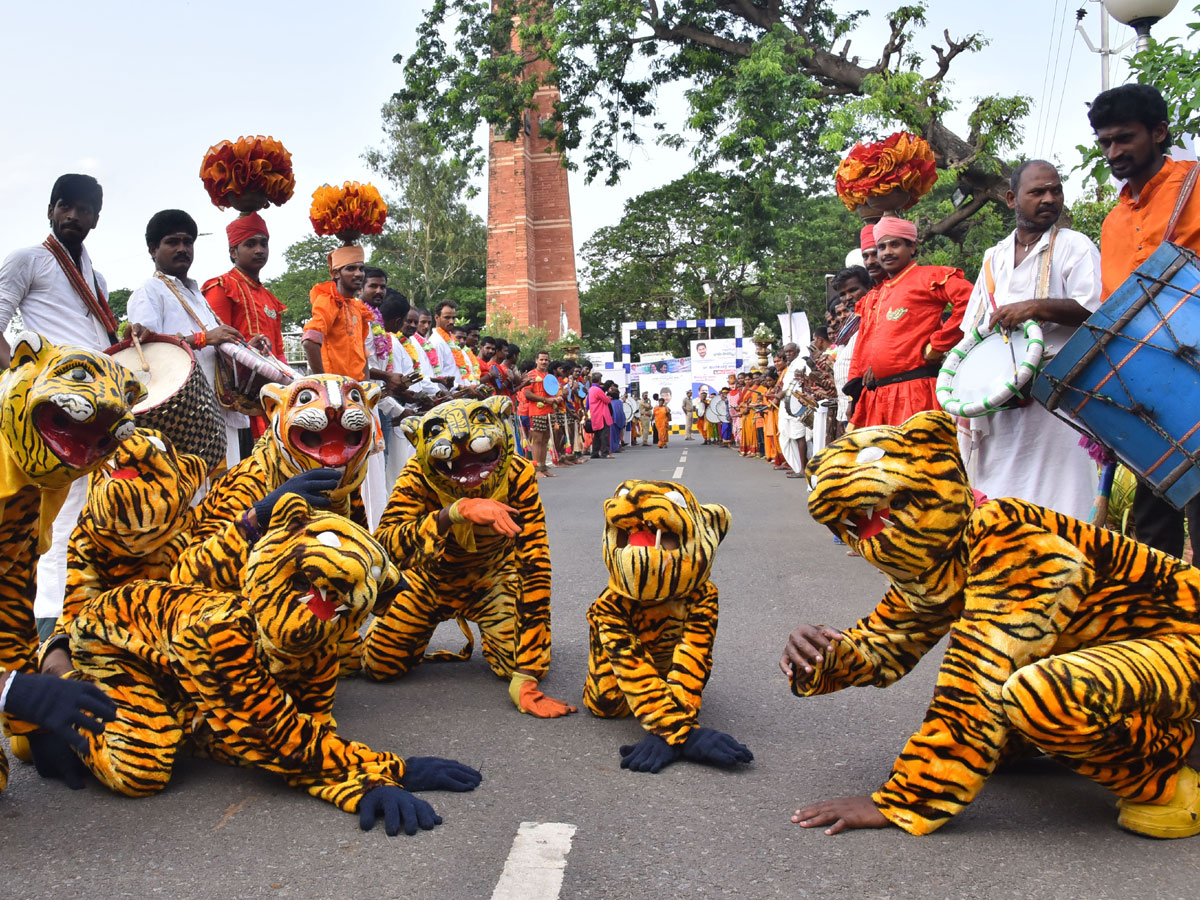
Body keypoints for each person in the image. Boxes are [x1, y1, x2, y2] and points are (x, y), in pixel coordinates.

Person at [0, 174, 146, 634]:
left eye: (83, 210)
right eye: (65, 206)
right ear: (50, 208)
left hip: (97, 409)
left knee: (86, 514)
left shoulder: (96, 277)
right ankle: (46, 626)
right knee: (52, 520)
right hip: (52, 412)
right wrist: (20, 382)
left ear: (96, 219)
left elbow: (98, 341)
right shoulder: (28, 260)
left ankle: (80, 617)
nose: (73, 215)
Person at [1091, 83, 1200, 558]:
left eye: (1124, 138)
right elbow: (1113, 309)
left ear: (1158, 132)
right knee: (1152, 523)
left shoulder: (1196, 186)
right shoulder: (1112, 221)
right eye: (1104, 143)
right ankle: (1163, 627)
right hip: (1150, 393)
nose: (1113, 152)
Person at [960, 160, 1101, 520]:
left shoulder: (1076, 246)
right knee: (1001, 496)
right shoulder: (994, 258)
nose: (1049, 199)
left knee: (1064, 499)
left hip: (1059, 401)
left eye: (1056, 190)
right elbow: (972, 329)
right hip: (1002, 403)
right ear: (1012, 199)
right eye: (1038, 192)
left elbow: (1097, 312)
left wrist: (1035, 307)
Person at [128, 209, 249, 469]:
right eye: (172, 242)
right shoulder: (149, 291)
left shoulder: (196, 294)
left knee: (226, 493)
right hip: (182, 418)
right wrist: (205, 338)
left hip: (216, 408)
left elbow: (216, 343)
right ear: (153, 249)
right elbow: (146, 352)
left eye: (188, 242)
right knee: (194, 493)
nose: (182, 248)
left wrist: (248, 348)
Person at [848, 217, 972, 428]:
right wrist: (855, 392)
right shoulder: (877, 294)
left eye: (894, 244)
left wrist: (939, 344)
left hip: (915, 392)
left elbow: (971, 300)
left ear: (912, 247)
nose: (887, 252)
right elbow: (864, 346)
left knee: (919, 459)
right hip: (879, 396)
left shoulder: (928, 276)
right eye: (881, 247)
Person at [203, 212, 287, 444]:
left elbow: (279, 353)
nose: (259, 250)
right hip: (235, 399)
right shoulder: (221, 287)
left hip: (270, 396)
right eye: (250, 244)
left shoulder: (271, 299)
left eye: (263, 243)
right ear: (233, 252)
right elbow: (217, 343)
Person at [302, 245, 371, 379]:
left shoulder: (358, 308)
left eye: (361, 269)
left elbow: (363, 354)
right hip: (335, 393)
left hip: (355, 393)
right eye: (351, 268)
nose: (358, 274)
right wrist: (323, 383)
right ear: (336, 273)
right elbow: (310, 341)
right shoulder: (329, 300)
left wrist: (367, 389)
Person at [829, 266, 871, 434]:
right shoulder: (850, 327)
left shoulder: (871, 319)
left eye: (853, 290)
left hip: (865, 404)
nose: (848, 298)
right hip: (848, 405)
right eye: (842, 294)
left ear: (868, 288)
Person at [523, 351, 556, 477]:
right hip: (536, 412)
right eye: (541, 359)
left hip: (549, 411)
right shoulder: (530, 375)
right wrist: (545, 400)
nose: (544, 362)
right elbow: (527, 394)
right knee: (537, 440)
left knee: (545, 439)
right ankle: (536, 470)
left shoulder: (549, 376)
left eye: (546, 360)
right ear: (536, 360)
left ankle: (543, 467)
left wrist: (556, 398)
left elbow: (553, 392)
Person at [427, 300, 462, 389]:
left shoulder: (452, 340)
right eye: (447, 317)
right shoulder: (436, 341)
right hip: (449, 394)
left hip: (460, 392)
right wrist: (460, 387)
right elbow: (438, 375)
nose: (451, 321)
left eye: (453, 318)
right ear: (437, 318)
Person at [588, 372, 613, 458]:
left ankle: (595, 452)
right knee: (604, 435)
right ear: (599, 380)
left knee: (597, 436)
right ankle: (605, 452)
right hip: (602, 415)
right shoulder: (598, 390)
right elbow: (606, 400)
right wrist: (609, 398)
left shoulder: (591, 389)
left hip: (595, 414)